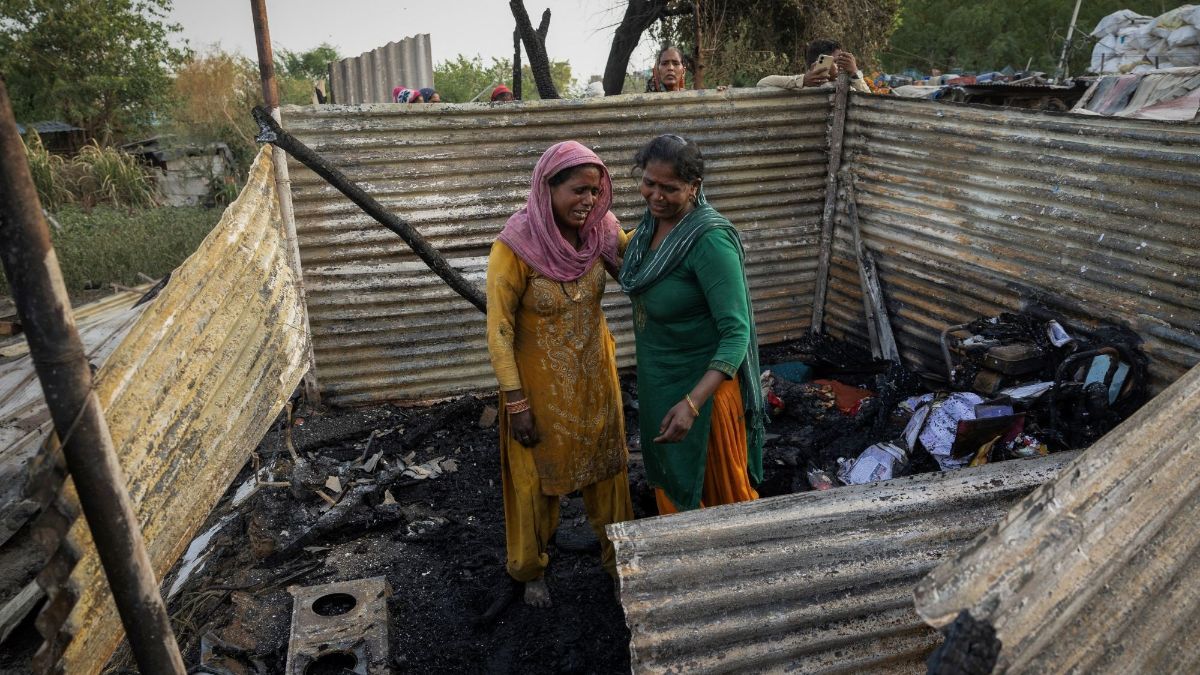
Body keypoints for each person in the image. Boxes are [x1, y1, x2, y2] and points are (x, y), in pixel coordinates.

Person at [486, 141, 634, 607]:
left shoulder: (602, 231)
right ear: (546, 188)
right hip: (538, 394)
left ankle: (621, 565)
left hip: (595, 382)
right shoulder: (515, 247)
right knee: (534, 486)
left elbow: (639, 271)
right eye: (577, 191)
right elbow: (499, 331)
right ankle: (531, 571)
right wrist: (516, 403)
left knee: (609, 474)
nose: (588, 201)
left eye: (595, 191)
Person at [618, 135, 765, 514]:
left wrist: (693, 404)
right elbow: (635, 275)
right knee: (673, 488)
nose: (656, 195)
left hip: (705, 397)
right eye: (649, 183)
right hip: (661, 384)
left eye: (670, 188)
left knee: (721, 505)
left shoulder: (709, 241)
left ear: (694, 187)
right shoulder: (648, 232)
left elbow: (737, 332)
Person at [757, 38, 872, 94]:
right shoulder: (801, 83)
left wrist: (855, 72)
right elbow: (762, 83)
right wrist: (803, 80)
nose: (841, 66)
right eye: (837, 61)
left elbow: (869, 100)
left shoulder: (844, 85)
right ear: (821, 62)